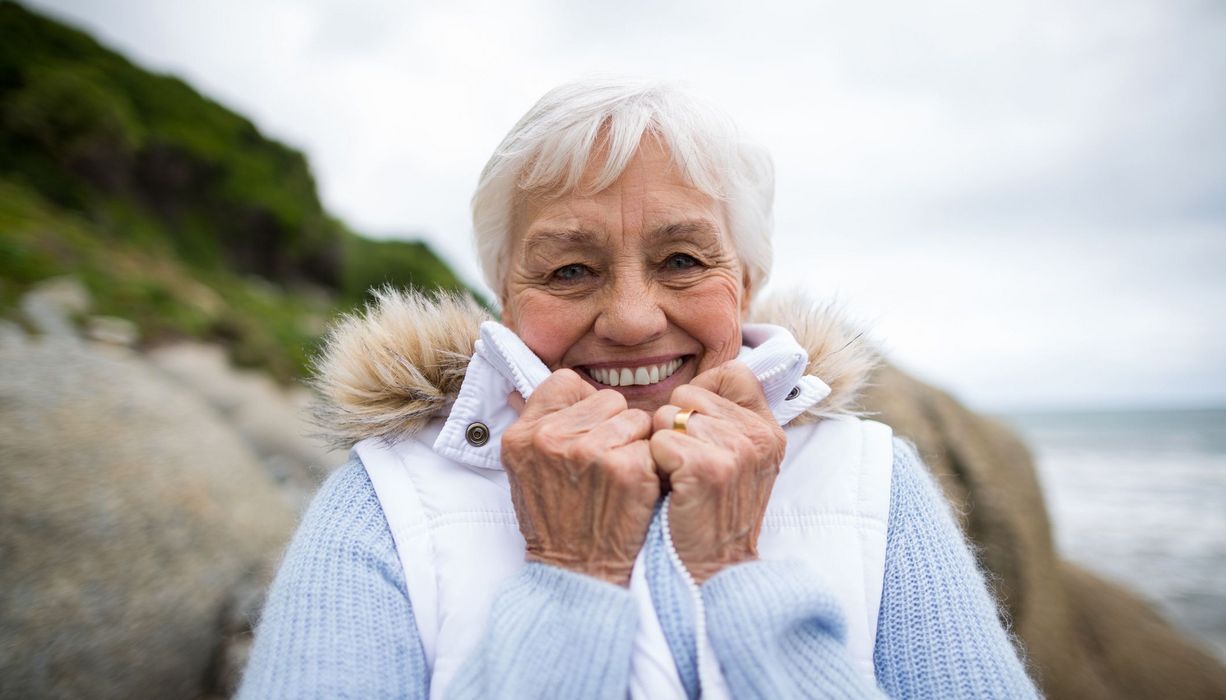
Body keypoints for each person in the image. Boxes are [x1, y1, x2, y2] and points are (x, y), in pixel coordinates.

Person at [239, 78, 1039, 699]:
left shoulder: (874, 480)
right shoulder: (387, 499)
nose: (628, 318)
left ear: (749, 281)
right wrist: (570, 576)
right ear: (506, 299)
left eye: (682, 260)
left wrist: (736, 571)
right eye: (570, 269)